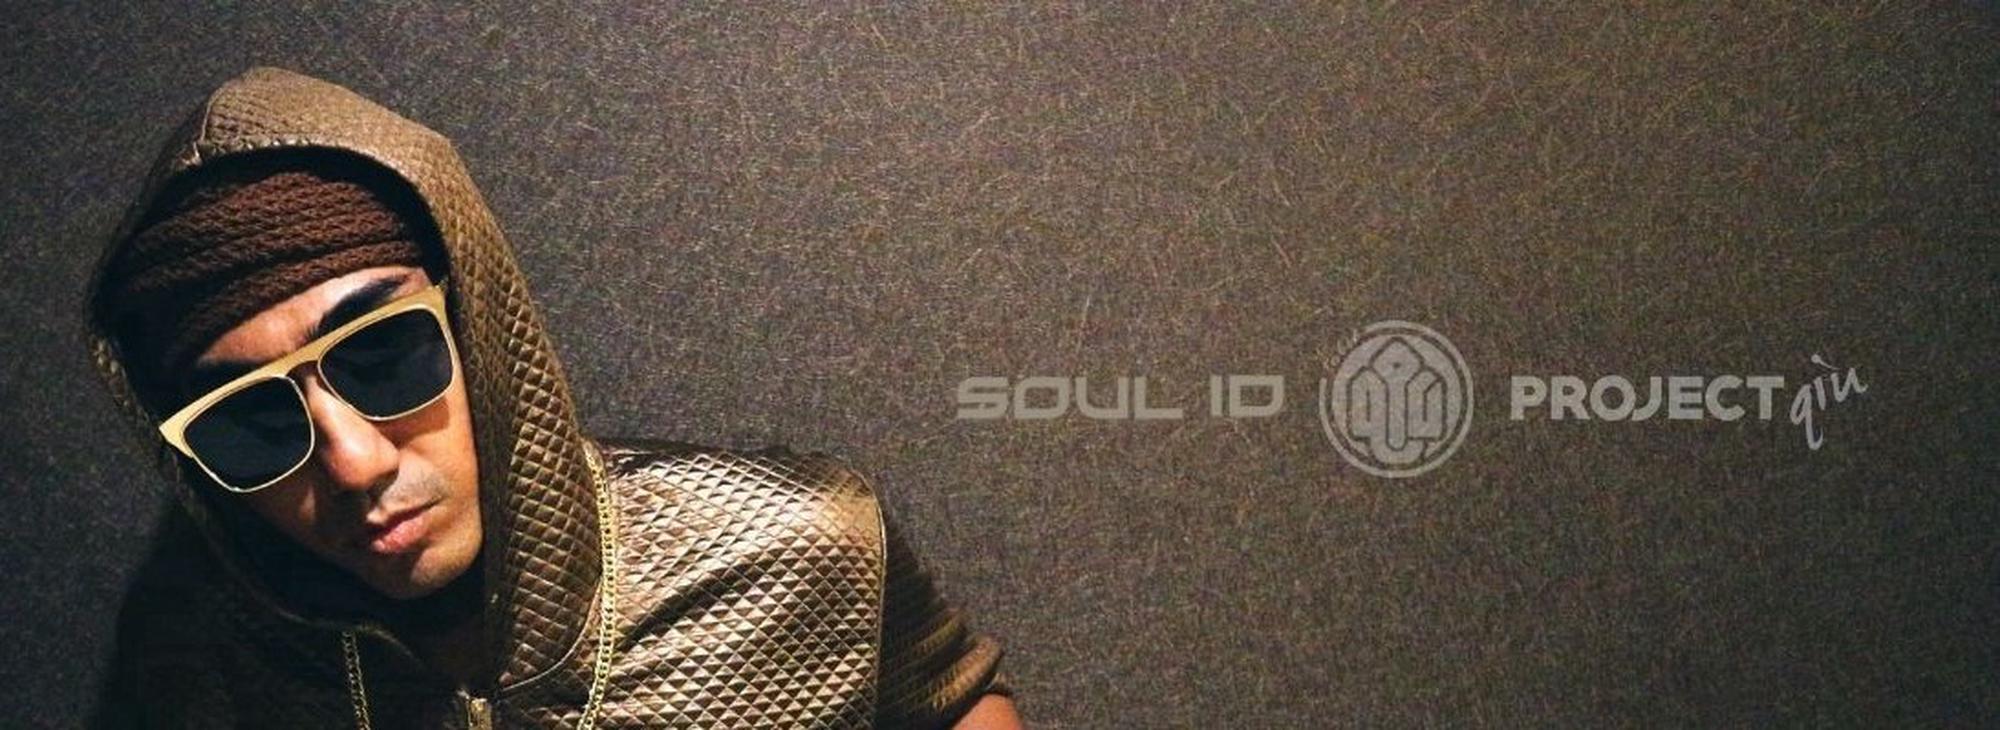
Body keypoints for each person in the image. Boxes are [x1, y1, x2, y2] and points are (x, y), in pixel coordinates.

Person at [85, 66, 1021, 729]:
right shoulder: (198, 663)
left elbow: (951, 698)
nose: (356, 464)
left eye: (382, 355)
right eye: (249, 420)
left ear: (479, 324)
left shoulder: (795, 546)